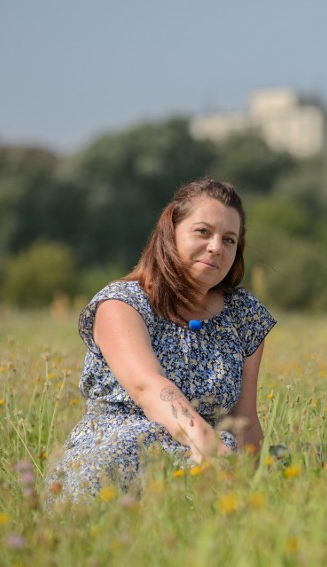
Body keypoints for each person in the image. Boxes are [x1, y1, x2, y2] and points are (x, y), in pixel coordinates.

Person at [46, 178, 275, 502]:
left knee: (311, 461)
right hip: (124, 454)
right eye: (203, 232)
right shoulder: (121, 303)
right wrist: (203, 441)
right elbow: (148, 387)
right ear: (171, 231)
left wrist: (257, 493)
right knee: (138, 453)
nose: (216, 247)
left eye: (229, 239)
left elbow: (245, 421)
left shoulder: (244, 314)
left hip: (211, 461)